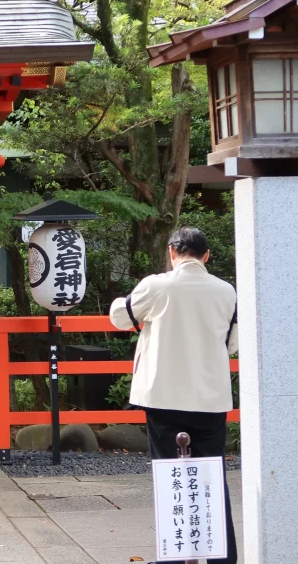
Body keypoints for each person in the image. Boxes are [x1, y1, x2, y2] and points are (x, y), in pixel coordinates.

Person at [109, 226, 239, 564]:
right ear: (206, 256)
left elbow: (120, 317)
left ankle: (174, 558)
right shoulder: (226, 291)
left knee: (171, 479)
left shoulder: (157, 286)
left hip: (163, 397)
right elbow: (232, 343)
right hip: (210, 398)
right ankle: (222, 558)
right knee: (212, 479)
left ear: (171, 252)